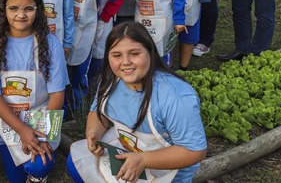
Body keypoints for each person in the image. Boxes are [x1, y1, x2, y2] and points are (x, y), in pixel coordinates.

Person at [67, 22, 207, 183]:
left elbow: (194, 151)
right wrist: (93, 134)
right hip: (128, 148)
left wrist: (143, 160)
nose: (126, 62)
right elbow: (99, 114)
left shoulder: (176, 97)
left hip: (167, 172)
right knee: (76, 162)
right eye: (117, 55)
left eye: (134, 53)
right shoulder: (111, 79)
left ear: (150, 52)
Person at [0, 0, 69, 183]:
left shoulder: (51, 43)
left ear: (37, 10)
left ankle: (39, 176)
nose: (21, 15)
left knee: (39, 166)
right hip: (7, 120)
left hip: (42, 117)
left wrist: (42, 135)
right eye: (14, 8)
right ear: (4, 10)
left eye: (28, 9)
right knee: (16, 178)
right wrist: (21, 129)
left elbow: (57, 95)